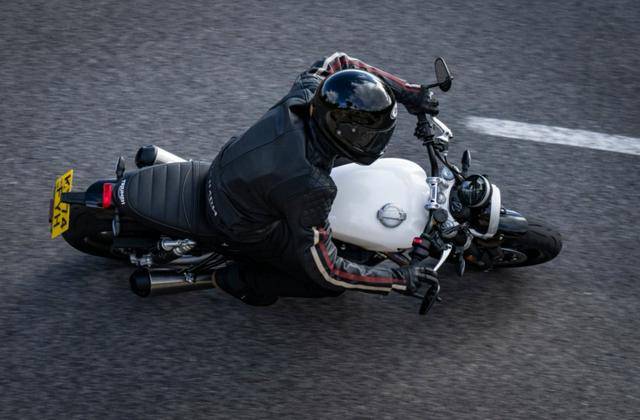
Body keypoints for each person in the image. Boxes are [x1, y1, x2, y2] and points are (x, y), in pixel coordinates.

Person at [206, 52, 440, 306]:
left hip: (231, 164)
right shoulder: (313, 185)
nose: (372, 142)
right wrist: (397, 279)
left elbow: (339, 63)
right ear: (344, 131)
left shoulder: (308, 92)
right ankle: (237, 280)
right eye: (366, 136)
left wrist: (408, 93)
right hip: (237, 221)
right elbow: (329, 270)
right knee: (322, 284)